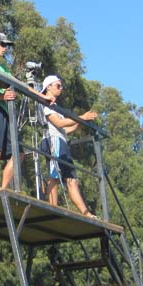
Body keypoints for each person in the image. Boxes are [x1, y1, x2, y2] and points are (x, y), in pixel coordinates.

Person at [0, 32, 51, 189]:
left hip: (6, 114)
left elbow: (19, 84)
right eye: (2, 45)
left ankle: (2, 188)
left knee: (18, 154)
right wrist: (1, 97)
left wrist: (43, 98)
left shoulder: (2, 68)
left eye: (6, 46)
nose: (5, 49)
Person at [41, 74, 99, 217]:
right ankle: (52, 208)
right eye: (58, 86)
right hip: (53, 141)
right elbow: (59, 123)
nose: (61, 89)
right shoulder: (45, 104)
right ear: (48, 87)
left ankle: (86, 213)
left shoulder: (56, 107)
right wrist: (81, 117)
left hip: (61, 141)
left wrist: (79, 122)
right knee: (54, 176)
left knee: (72, 180)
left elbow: (66, 129)